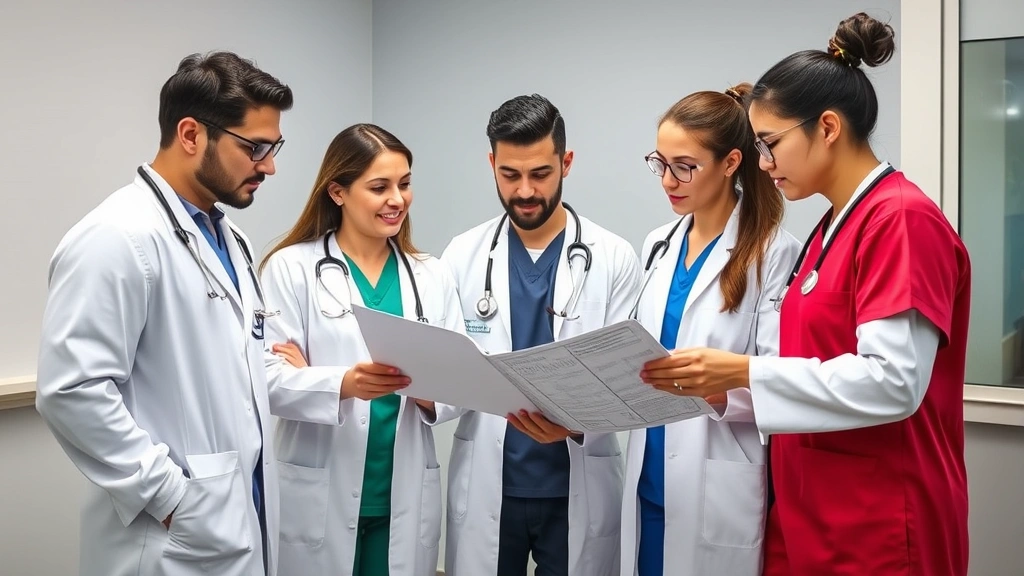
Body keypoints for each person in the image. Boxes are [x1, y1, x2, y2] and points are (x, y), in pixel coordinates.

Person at [640, 13, 971, 576]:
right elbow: (802, 371)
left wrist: (743, 371)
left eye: (770, 144)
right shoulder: (831, 229)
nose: (763, 163)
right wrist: (721, 389)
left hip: (879, 519)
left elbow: (894, 382)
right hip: (809, 511)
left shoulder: (901, 219)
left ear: (828, 127)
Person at [35, 51, 293, 576]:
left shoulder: (231, 239)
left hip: (237, 514)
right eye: (255, 147)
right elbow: (71, 391)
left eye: (274, 147)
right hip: (170, 536)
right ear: (191, 134)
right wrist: (171, 497)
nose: (269, 166)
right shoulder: (116, 237)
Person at [441, 94, 642, 576]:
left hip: (578, 479)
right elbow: (449, 374)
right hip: (491, 482)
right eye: (510, 175)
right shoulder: (462, 255)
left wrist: (574, 424)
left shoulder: (613, 257)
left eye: (541, 174)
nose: (525, 190)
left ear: (566, 163)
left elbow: (626, 380)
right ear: (491, 164)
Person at [257, 123, 465, 576]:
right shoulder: (292, 268)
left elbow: (461, 382)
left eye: (404, 184)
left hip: (402, 496)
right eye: (379, 187)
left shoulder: (431, 275)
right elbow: (266, 379)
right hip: (319, 492)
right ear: (338, 192)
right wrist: (344, 383)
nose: (397, 199)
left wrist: (429, 390)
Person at [623, 85, 800, 576]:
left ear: (730, 163)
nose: (668, 180)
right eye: (660, 163)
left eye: (685, 166)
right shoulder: (658, 244)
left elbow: (783, 379)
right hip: (648, 476)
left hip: (714, 480)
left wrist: (719, 390)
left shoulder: (774, 252)